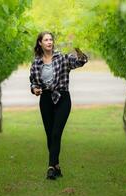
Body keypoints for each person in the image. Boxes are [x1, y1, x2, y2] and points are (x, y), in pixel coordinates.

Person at [29, 31, 88, 180]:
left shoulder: (62, 57)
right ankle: (56, 166)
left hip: (62, 98)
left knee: (56, 133)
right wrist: (34, 89)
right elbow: (33, 82)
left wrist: (78, 50)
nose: (49, 42)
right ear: (40, 43)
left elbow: (80, 61)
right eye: (46, 40)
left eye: (51, 39)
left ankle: (50, 167)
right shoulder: (36, 62)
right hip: (46, 99)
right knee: (50, 135)